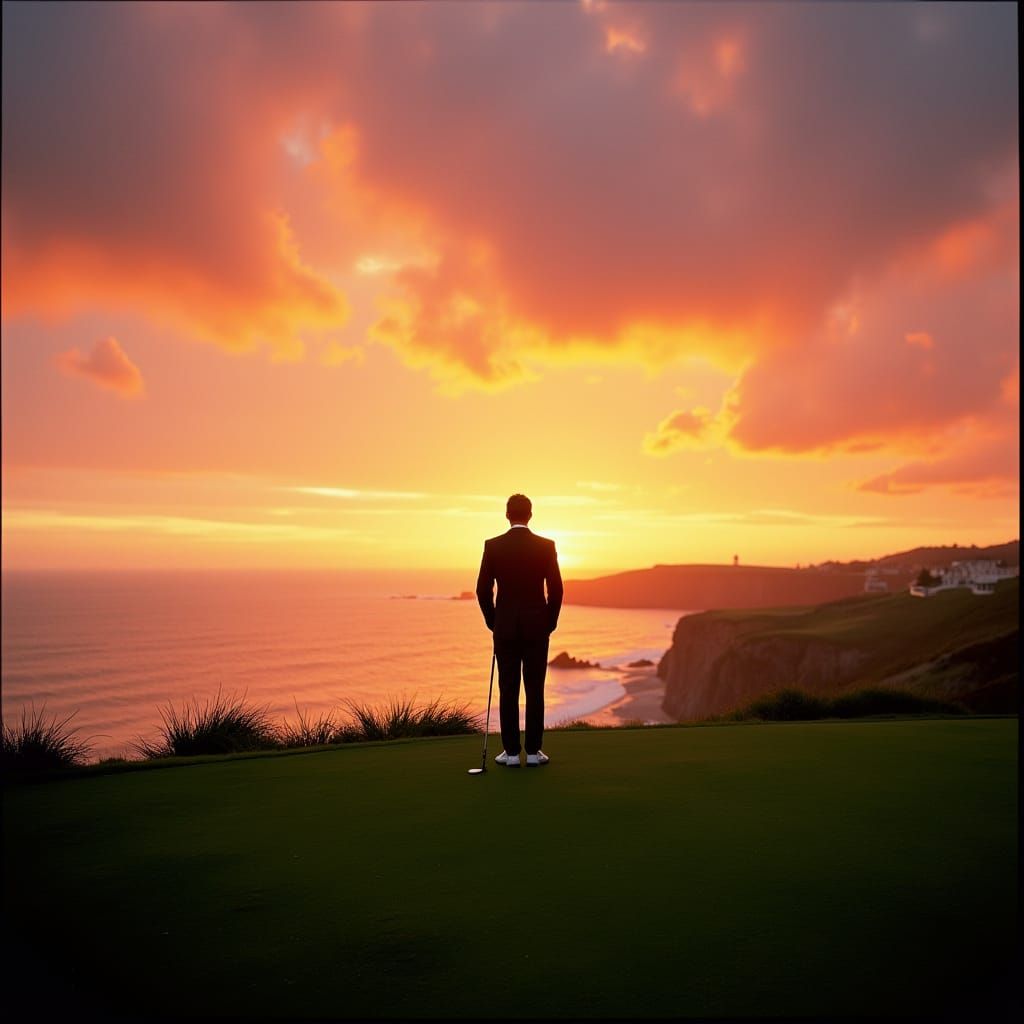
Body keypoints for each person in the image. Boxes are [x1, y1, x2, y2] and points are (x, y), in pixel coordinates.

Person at [475, 493, 563, 767]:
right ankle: (534, 752)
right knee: (535, 688)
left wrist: (494, 621)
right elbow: (556, 590)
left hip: (506, 628)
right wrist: (549, 622)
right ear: (530, 515)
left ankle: (512, 753)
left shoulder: (493, 546)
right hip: (537, 628)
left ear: (507, 515)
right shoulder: (546, 546)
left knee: (508, 688)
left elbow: (482, 590)